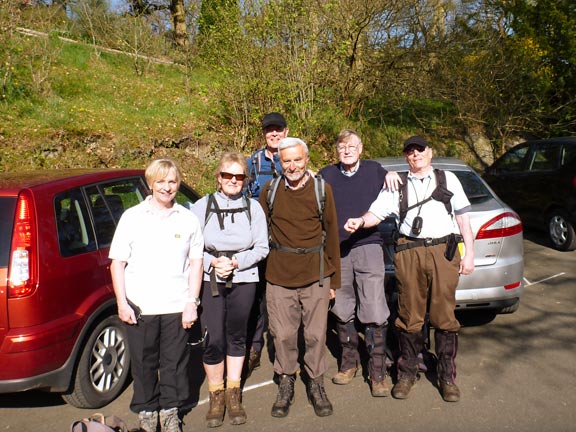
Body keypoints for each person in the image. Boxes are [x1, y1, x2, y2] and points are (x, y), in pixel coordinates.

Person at [344, 135, 475, 403]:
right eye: (410, 151)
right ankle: (407, 373)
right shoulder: (397, 184)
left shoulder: (448, 178)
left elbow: (462, 219)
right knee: (409, 315)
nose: (415, 154)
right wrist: (360, 221)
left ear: (430, 152)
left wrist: (469, 254)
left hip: (444, 251)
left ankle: (447, 377)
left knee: (444, 316)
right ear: (406, 156)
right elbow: (376, 214)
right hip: (409, 252)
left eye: (420, 149)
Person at [109, 158, 204, 432]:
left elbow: (196, 263)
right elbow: (117, 263)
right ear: (150, 184)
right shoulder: (132, 217)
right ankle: (148, 413)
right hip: (140, 307)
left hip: (176, 305)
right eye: (161, 181)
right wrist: (122, 302)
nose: (167, 187)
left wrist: (192, 303)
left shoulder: (187, 219)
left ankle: (171, 413)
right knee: (143, 363)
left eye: (173, 181)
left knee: (175, 364)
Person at [259, 137, 341, 418]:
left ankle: (316, 383)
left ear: (306, 159)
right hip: (279, 275)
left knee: (316, 334)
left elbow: (331, 235)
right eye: (286, 161)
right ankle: (286, 381)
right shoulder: (270, 190)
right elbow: (259, 232)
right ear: (279, 162)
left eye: (297, 159)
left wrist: (335, 282)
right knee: (282, 335)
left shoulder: (322, 190)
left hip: (316, 275)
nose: (292, 166)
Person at [190, 153, 269, 428]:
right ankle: (216, 395)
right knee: (213, 337)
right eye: (228, 175)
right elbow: (191, 246)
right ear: (218, 177)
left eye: (239, 176)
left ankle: (233, 393)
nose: (233, 181)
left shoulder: (253, 208)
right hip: (211, 277)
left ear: (245, 179)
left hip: (244, 277)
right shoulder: (202, 206)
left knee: (237, 335)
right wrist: (214, 263)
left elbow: (262, 247)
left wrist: (236, 262)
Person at [318, 129, 399, 397]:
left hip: (368, 246)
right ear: (336, 151)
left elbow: (393, 189)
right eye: (342, 147)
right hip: (337, 250)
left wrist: (391, 173)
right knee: (341, 308)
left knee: (375, 308)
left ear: (361, 148)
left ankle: (377, 373)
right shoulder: (326, 174)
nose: (347, 150)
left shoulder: (376, 171)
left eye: (351, 146)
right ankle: (348, 363)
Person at [243, 112, 288, 378]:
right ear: (264, 134)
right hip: (260, 241)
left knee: (286, 298)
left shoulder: (294, 158)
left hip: (288, 243)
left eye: (278, 129)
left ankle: (288, 350)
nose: (274, 134)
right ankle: (254, 349)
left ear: (286, 131)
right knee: (256, 297)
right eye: (269, 130)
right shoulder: (254, 162)